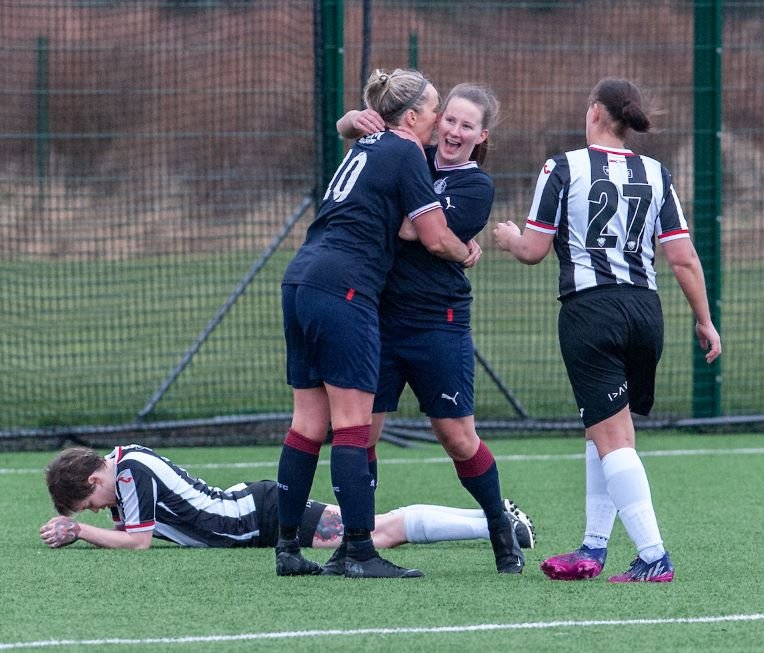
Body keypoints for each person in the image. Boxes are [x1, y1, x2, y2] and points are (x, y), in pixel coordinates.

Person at [494, 77, 721, 583]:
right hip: (646, 312)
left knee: (613, 438)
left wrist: (509, 238)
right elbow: (682, 258)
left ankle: (653, 555)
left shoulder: (563, 166)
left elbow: (532, 250)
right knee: (606, 430)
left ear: (595, 111)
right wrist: (705, 321)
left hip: (591, 313)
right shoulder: (656, 173)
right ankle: (593, 548)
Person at [277, 68, 481, 579]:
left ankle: (287, 549)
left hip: (301, 278)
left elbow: (353, 127)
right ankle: (360, 552)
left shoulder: (365, 145)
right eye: (435, 109)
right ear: (411, 116)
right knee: (352, 424)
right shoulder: (406, 150)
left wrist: (349, 120)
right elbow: (435, 237)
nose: (440, 120)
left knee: (307, 423)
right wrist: (467, 251)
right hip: (344, 287)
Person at [335, 84, 526, 575]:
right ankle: (357, 544)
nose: (455, 132)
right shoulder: (409, 152)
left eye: (467, 125)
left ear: (481, 135)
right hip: (379, 318)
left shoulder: (475, 186)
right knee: (362, 435)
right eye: (450, 121)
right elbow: (347, 133)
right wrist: (356, 117)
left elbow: (411, 230)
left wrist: (445, 240)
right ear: (435, 121)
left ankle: (500, 529)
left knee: (457, 437)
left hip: (436, 323)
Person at [39, 445, 535, 552]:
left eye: (89, 505)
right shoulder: (124, 465)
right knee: (381, 528)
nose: (98, 510)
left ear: (90, 483)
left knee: (380, 532)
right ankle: (494, 516)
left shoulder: (126, 473)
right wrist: (85, 526)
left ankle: (495, 524)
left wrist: (81, 531)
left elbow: (138, 542)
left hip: (260, 514)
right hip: (256, 512)